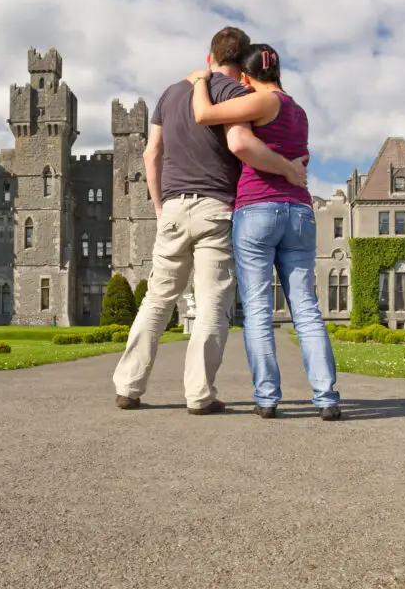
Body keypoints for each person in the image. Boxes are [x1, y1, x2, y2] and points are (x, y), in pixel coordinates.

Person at [112, 27, 307, 415]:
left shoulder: (170, 94)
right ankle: (199, 394)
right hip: (216, 208)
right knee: (212, 304)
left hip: (172, 209)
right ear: (243, 64)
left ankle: (128, 386)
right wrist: (286, 169)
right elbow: (241, 144)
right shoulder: (234, 93)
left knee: (156, 300)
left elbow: (152, 154)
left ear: (209, 58)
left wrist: (159, 205)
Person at [186, 43, 341, 421]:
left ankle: (268, 397)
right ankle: (326, 397)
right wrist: (290, 169)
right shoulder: (298, 111)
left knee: (257, 308)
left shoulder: (262, 102)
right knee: (306, 309)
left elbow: (208, 116)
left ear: (247, 76)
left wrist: (199, 81)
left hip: (258, 207)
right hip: (301, 212)